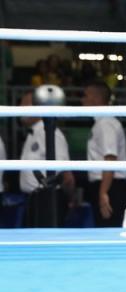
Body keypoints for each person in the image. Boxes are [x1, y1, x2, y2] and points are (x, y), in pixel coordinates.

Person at [18, 91, 75, 227]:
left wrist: (69, 200)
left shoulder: (52, 133)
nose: (20, 108)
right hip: (33, 200)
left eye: (25, 104)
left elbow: (66, 174)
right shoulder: (33, 133)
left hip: (48, 200)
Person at [82, 79, 126, 227]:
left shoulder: (106, 123)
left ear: (96, 99)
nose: (82, 100)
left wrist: (103, 193)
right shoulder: (102, 123)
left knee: (109, 228)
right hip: (108, 184)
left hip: (110, 186)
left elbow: (110, 158)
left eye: (85, 96)